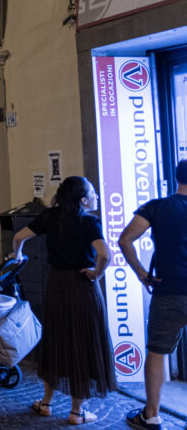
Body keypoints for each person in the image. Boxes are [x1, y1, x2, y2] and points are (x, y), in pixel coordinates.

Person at [12, 176, 114, 425]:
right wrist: (97, 273)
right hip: (82, 287)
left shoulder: (50, 217)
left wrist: (18, 256)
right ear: (83, 200)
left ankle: (46, 403)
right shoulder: (88, 222)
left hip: (56, 285)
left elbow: (18, 237)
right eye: (92, 192)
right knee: (82, 342)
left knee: (56, 340)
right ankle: (76, 412)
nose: (96, 196)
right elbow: (105, 254)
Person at [119, 159, 187, 430]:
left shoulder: (157, 207)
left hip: (168, 291)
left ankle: (151, 415)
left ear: (177, 177)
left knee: (157, 352)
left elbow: (125, 239)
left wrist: (141, 273)